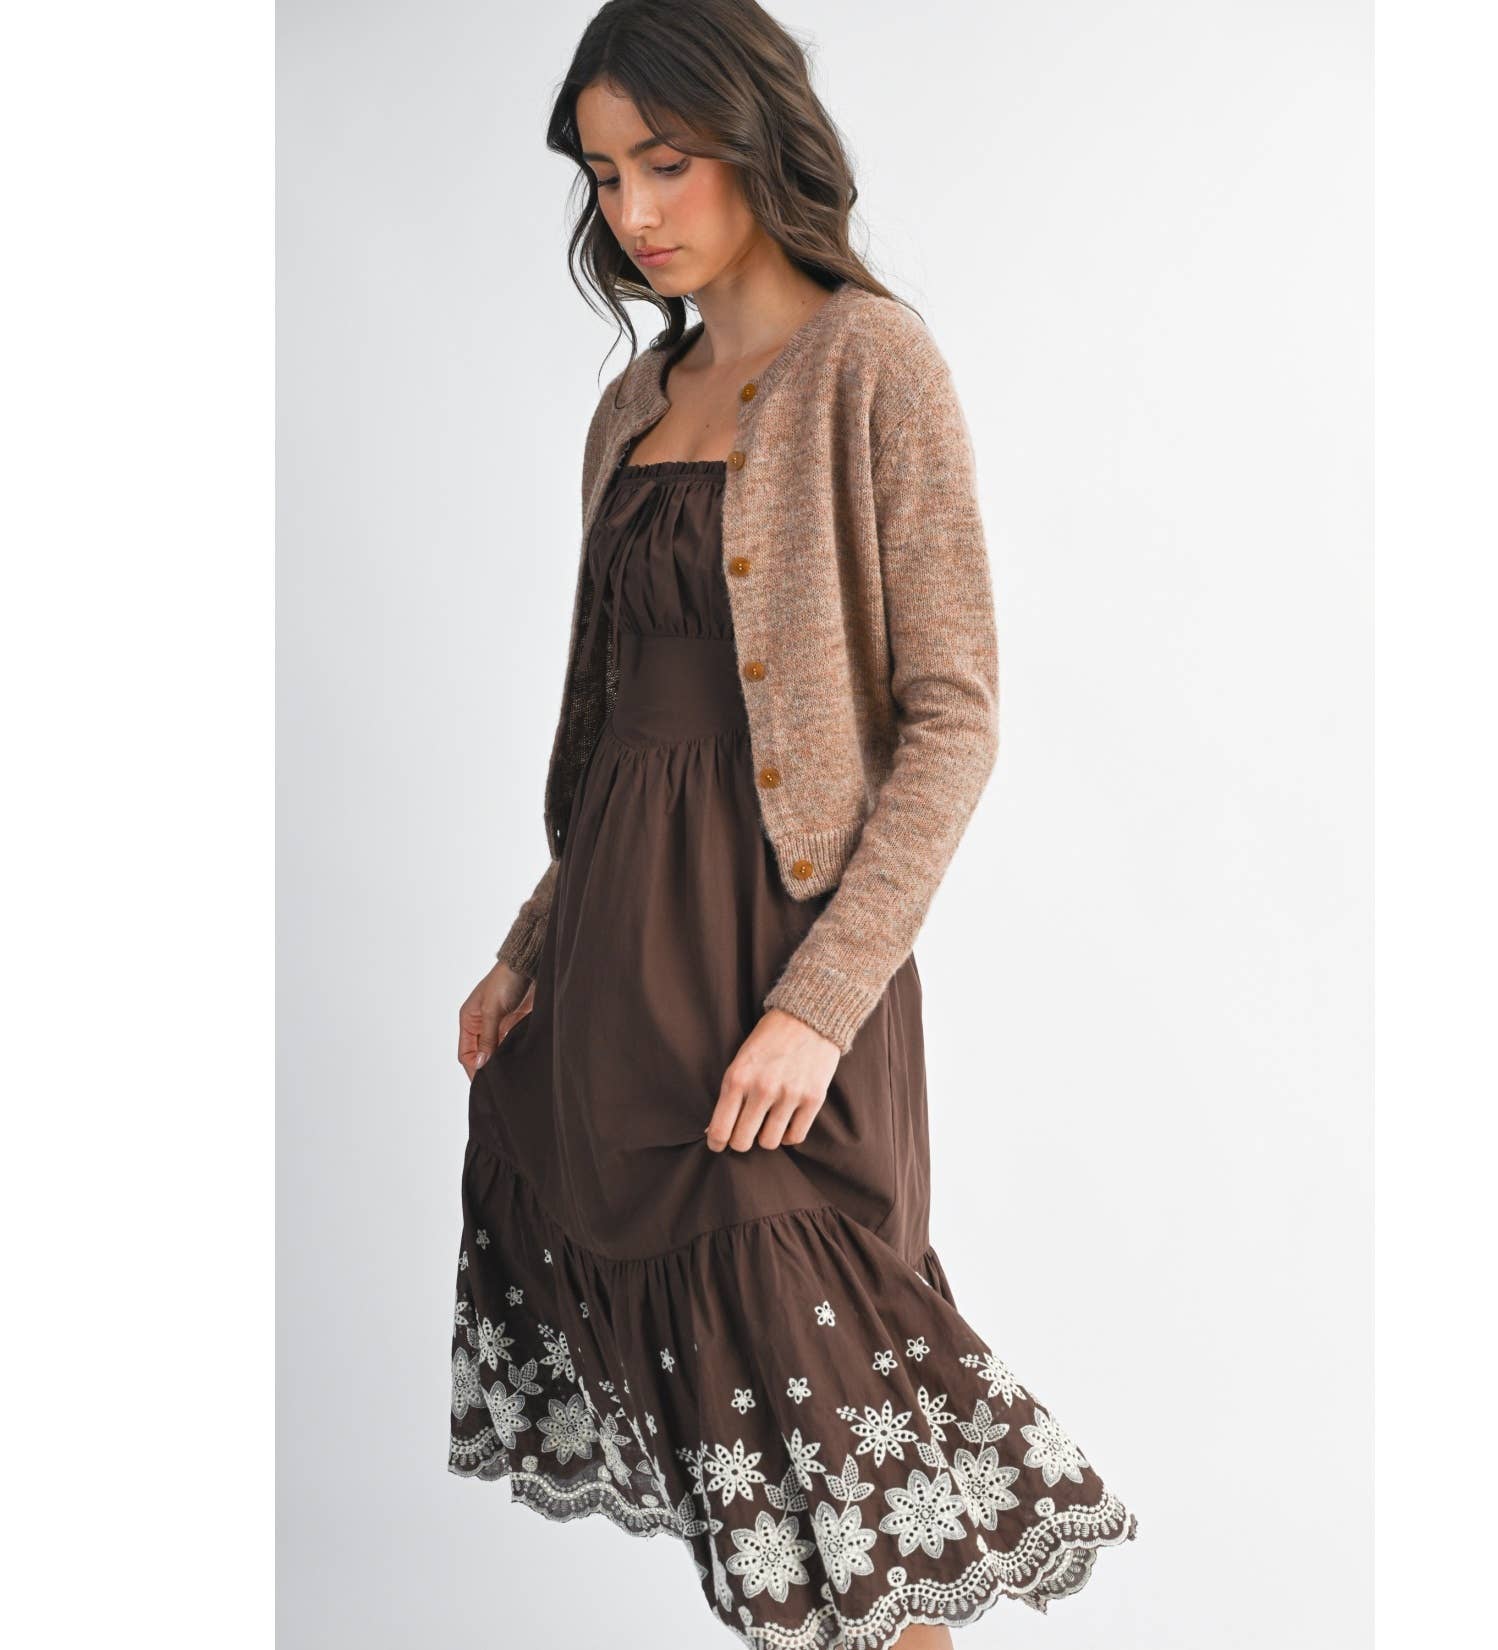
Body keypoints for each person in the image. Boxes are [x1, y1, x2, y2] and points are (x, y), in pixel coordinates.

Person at [449, 5, 1138, 1645]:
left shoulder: (870, 363)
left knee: (862, 1505)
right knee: (755, 1513)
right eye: (603, 174)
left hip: (777, 972)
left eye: (665, 161)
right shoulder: (634, 404)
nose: (633, 210)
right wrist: (527, 948)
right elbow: (616, 732)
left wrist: (817, 1005)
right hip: (617, 969)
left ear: (756, 139)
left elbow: (952, 718)